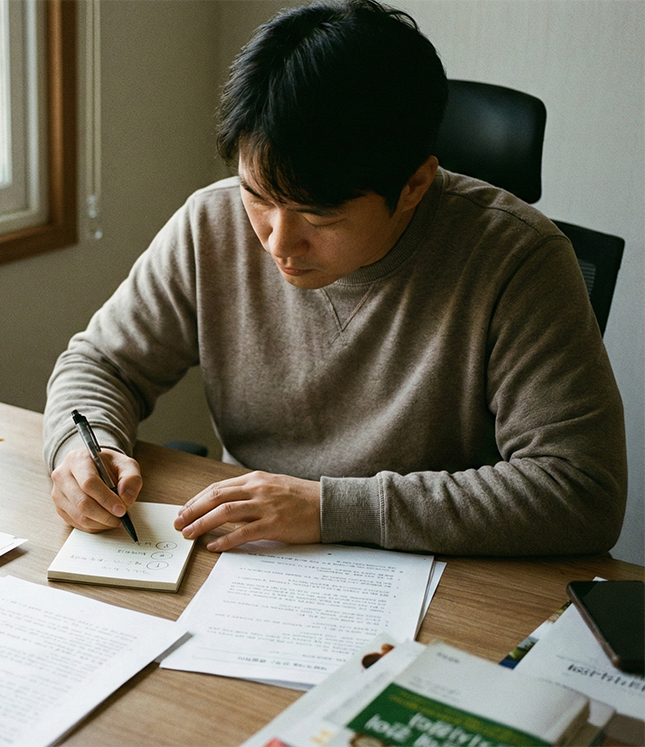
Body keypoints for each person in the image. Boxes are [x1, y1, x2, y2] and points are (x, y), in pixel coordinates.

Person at [42, 0, 626, 556]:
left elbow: (580, 488)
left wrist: (331, 509)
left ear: (415, 186)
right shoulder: (211, 223)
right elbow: (102, 363)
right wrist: (81, 449)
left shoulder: (518, 260)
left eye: (319, 218)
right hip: (248, 553)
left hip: (434, 573)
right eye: (258, 196)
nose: (277, 241)